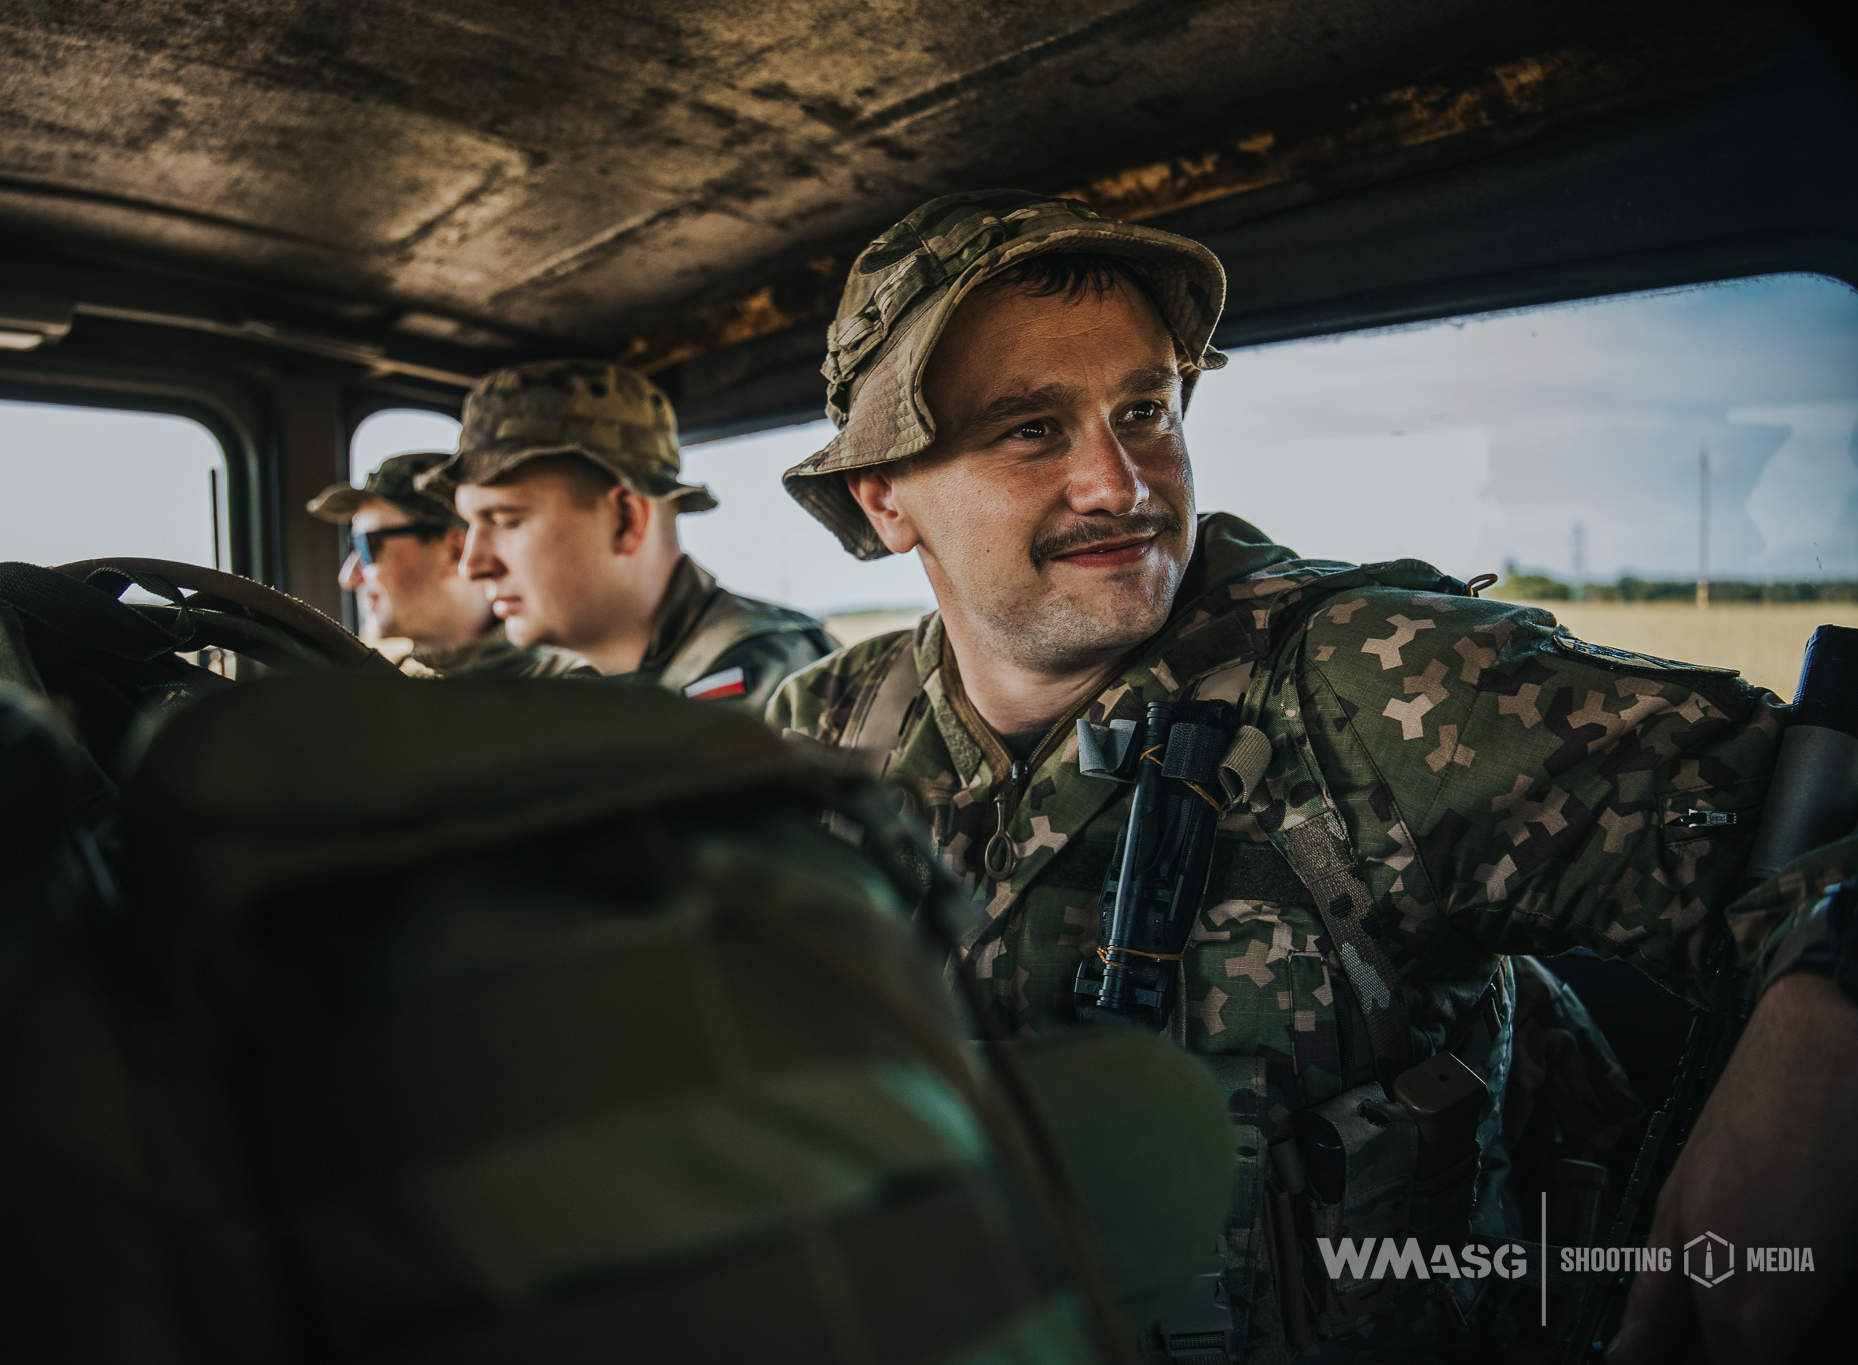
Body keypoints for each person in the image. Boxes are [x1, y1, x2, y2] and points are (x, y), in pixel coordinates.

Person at [767, 190, 1858, 1365]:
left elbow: (1821, 820)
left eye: (1143, 409)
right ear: (883, 496)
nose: (1122, 485)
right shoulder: (826, 726)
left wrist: (1819, 1016)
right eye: (1030, 429)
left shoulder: (1375, 681)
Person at [427, 359, 836, 711]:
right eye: (471, 524)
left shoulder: (771, 677)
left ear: (626, 521)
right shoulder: (555, 669)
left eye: (505, 520)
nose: (472, 566)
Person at [307, 450, 577, 676]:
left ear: (454, 550)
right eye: (352, 547)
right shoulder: (385, 678)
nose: (348, 576)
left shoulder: (559, 687)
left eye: (368, 546)